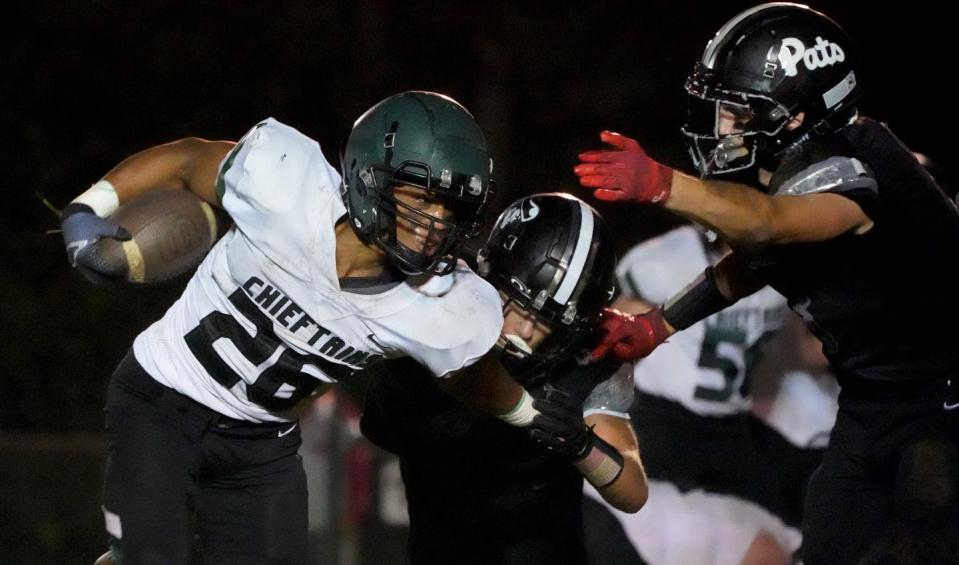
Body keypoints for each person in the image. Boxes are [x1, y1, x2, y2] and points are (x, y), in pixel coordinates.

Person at [61, 91, 530, 565]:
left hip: (262, 448)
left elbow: (481, 381)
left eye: (451, 207)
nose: (436, 221)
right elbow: (187, 159)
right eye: (424, 196)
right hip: (161, 400)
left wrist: (539, 416)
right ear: (370, 175)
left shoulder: (448, 304)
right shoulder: (285, 182)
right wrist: (87, 207)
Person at [575, 4, 959, 564]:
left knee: (919, 539)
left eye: (738, 110)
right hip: (876, 400)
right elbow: (766, 255)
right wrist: (661, 323)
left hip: (944, 403)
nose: (721, 126)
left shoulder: (850, 170)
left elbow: (770, 224)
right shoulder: (805, 160)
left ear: (797, 118)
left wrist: (662, 185)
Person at [360, 193, 648, 565]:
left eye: (548, 320)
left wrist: (582, 446)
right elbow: (381, 426)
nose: (525, 330)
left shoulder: (584, 357)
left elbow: (633, 492)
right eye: (516, 303)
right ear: (488, 273)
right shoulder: (439, 309)